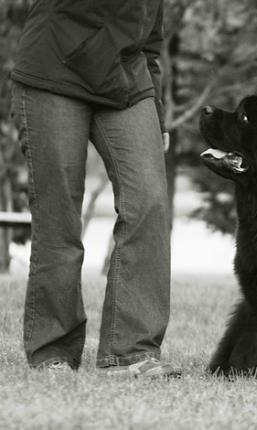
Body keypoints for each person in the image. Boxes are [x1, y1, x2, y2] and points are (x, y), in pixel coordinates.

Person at [9, 1, 181, 377]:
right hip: (55, 68)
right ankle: (53, 349)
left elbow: (150, 40)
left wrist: (158, 113)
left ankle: (131, 351)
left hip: (125, 80)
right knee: (59, 216)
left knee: (149, 202)